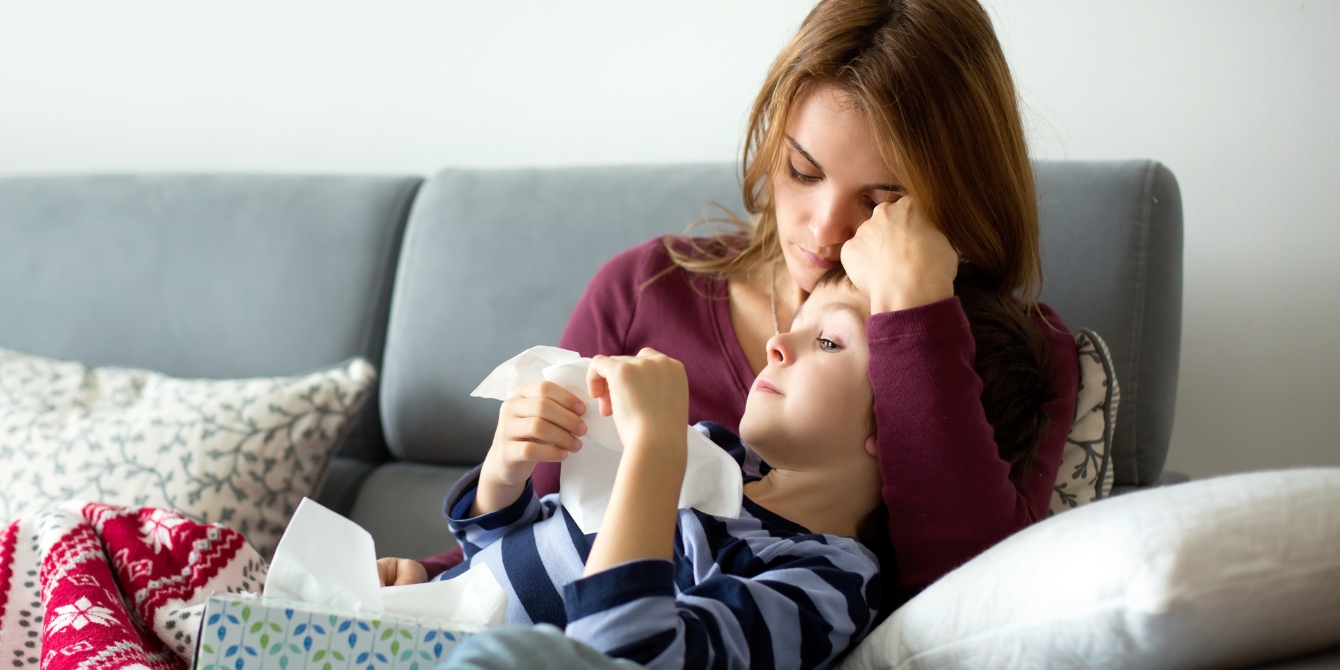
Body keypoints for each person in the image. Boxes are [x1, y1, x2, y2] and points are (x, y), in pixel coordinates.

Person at [417, 0, 1080, 610]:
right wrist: (425, 581)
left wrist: (915, 312)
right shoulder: (645, 289)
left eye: (881, 201)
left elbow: (970, 596)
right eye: (803, 172)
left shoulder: (1008, 356)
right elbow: (554, 536)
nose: (823, 230)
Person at [384, 275, 886, 669]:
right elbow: (518, 560)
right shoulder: (715, 454)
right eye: (794, 321)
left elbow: (618, 654)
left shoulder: (834, 581)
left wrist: (655, 449)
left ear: (896, 425)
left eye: (828, 341)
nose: (777, 341)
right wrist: (503, 474)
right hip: (419, 629)